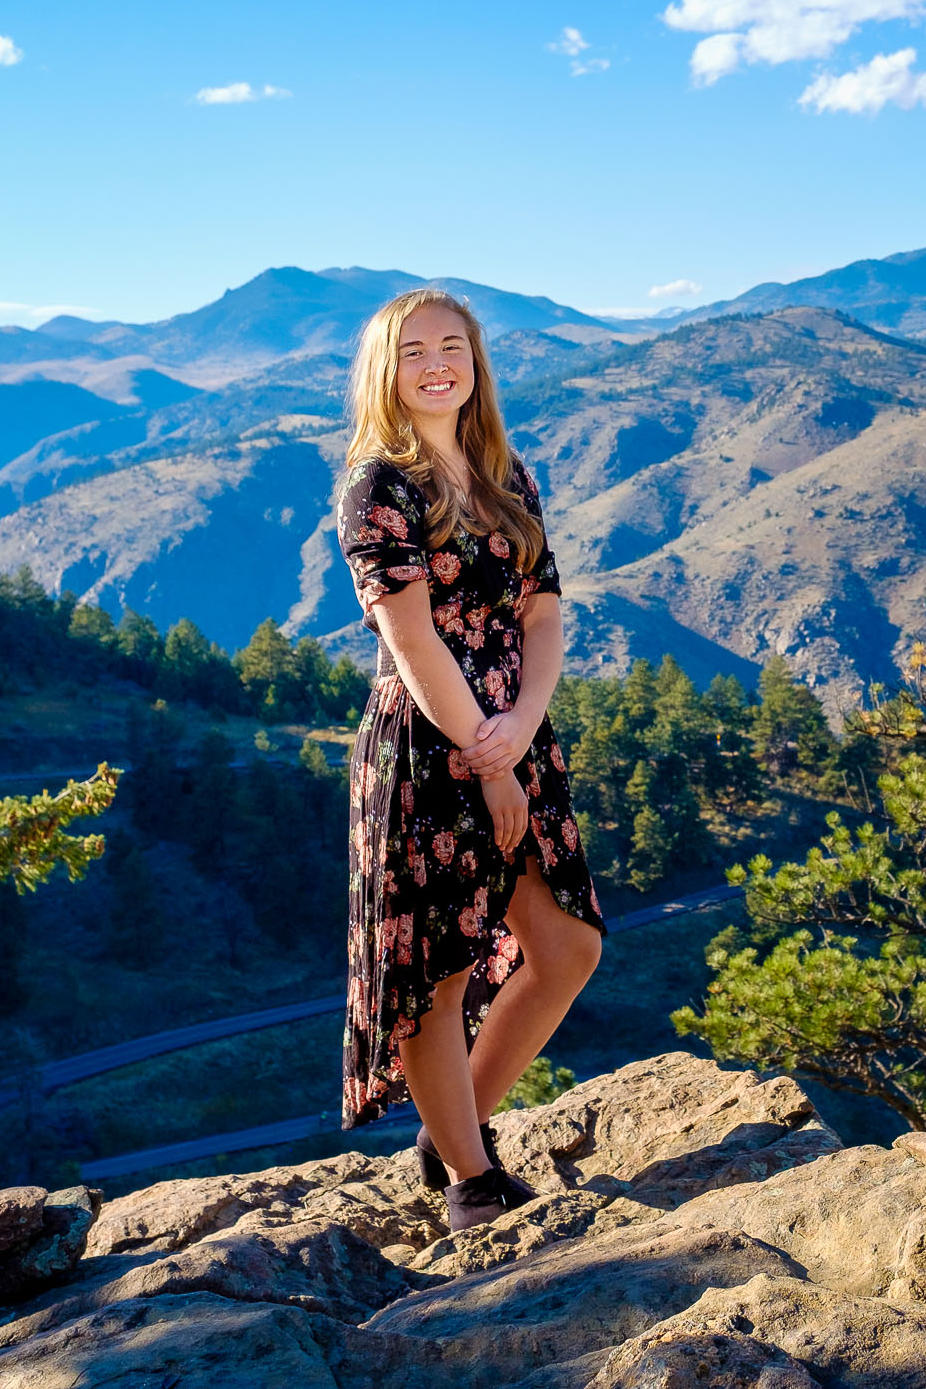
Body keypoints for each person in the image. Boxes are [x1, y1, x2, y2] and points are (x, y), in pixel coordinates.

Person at [333, 287, 604, 1230]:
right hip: (425, 748)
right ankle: (470, 1181)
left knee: (568, 945)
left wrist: (524, 728)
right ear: (386, 371)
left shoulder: (504, 474)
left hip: (514, 736)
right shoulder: (378, 489)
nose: (438, 363)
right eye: (415, 351)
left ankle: (456, 1127)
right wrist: (487, 759)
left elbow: (543, 613)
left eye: (454, 346)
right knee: (437, 973)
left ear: (477, 362)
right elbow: (412, 642)